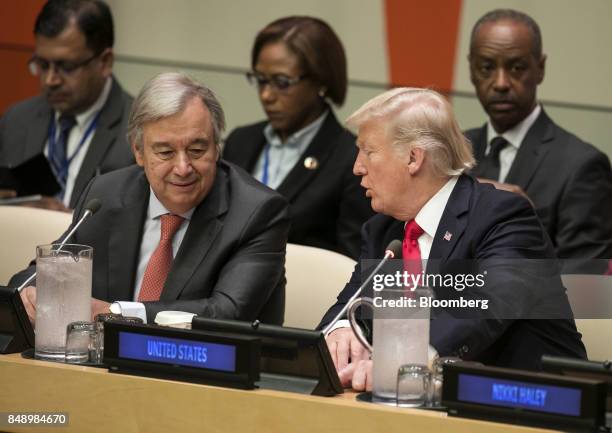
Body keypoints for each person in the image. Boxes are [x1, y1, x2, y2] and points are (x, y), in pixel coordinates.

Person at [318, 87, 586, 391]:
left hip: (531, 405)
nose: (357, 167)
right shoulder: (383, 231)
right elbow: (351, 304)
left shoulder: (504, 217)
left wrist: (402, 362)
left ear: (413, 158)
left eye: (368, 151)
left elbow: (485, 306)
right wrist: (340, 331)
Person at [12, 72, 290, 325]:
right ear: (138, 152)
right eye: (165, 152)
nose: (182, 168)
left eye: (196, 149)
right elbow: (46, 271)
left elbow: (228, 313)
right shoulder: (105, 195)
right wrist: (29, 292)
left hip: (210, 373)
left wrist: (118, 313)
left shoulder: (257, 212)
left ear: (217, 148)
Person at [465, 9, 612, 267]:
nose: (500, 83)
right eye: (487, 67)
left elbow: (585, 290)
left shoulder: (582, 166)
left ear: (540, 69)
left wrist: (529, 229)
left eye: (517, 67)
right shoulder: (453, 153)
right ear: (471, 70)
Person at [223, 16, 373, 260]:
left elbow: (353, 263)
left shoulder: (352, 160)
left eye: (282, 83)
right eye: (260, 80)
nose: (266, 95)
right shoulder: (240, 141)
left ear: (321, 81)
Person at [0, 0, 134, 210]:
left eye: (67, 67)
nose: (50, 80)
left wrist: (62, 221)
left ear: (105, 62)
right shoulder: (16, 120)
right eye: (42, 65)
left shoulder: (137, 132)